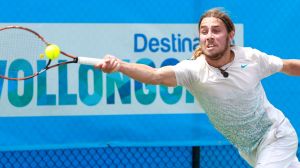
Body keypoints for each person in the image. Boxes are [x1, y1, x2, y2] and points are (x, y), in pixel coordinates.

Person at [95, 8, 300, 168]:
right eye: (204, 32)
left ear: (230, 35)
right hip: (248, 148)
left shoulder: (252, 58)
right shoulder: (193, 71)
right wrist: (120, 65)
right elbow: (154, 75)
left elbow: (289, 66)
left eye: (216, 30)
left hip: (275, 135)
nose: (209, 36)